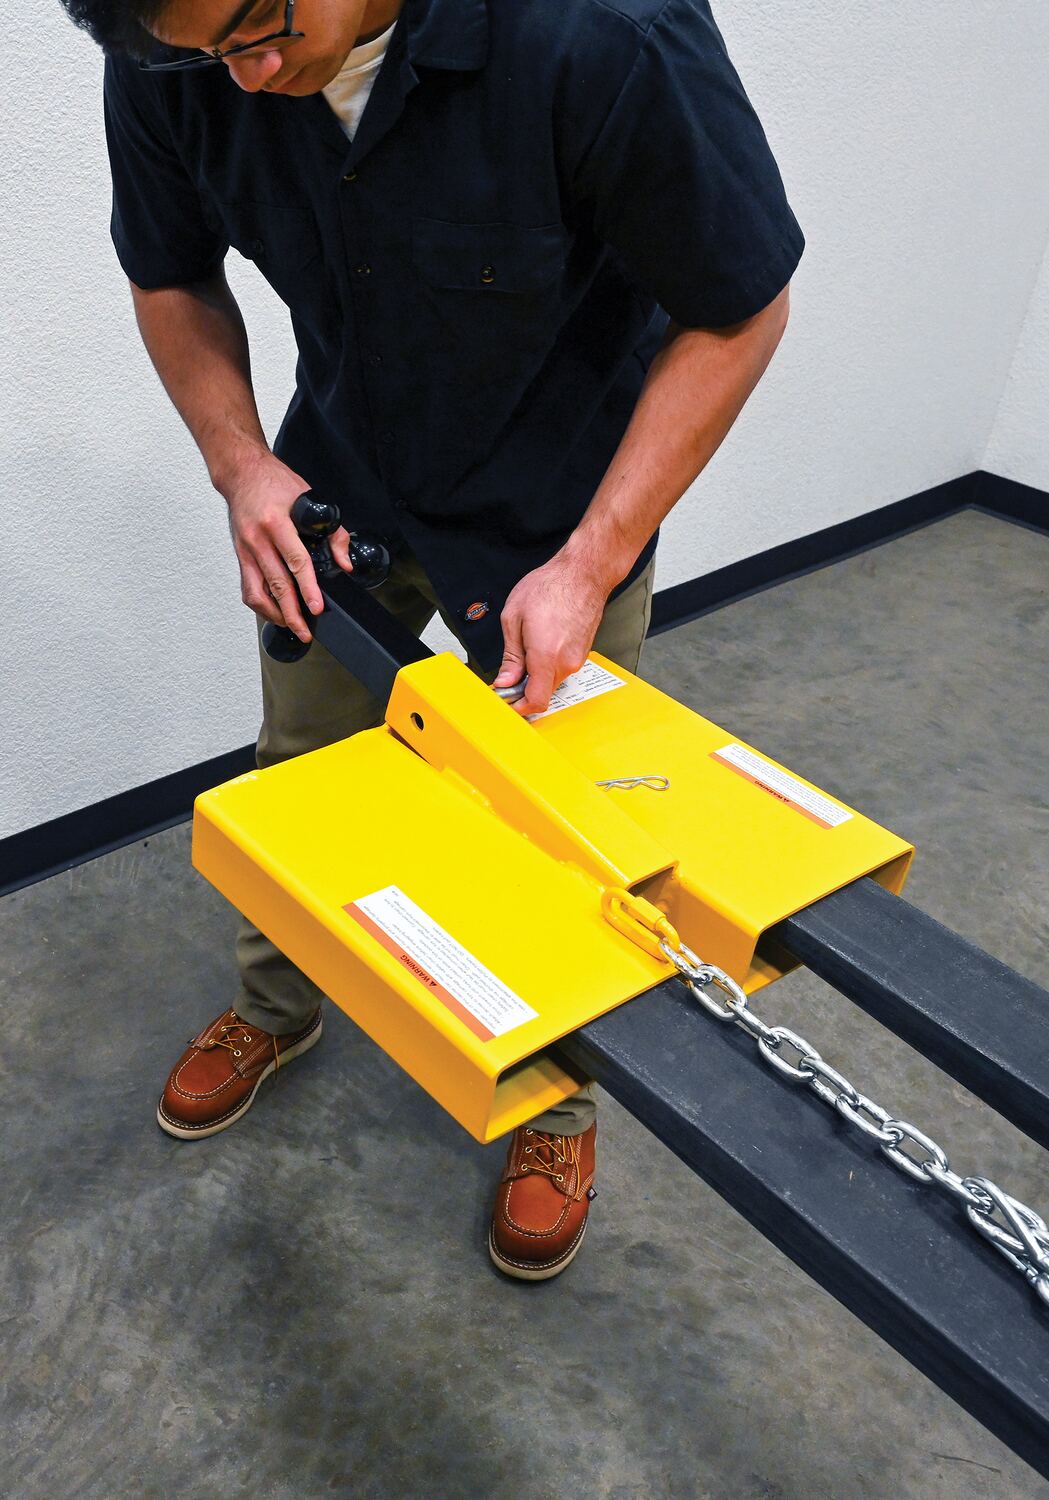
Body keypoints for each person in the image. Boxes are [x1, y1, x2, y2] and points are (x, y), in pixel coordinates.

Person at [62, 0, 803, 1278]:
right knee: (301, 773)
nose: (245, 73)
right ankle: (277, 1005)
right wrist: (243, 468)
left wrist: (592, 561)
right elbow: (169, 273)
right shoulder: (175, 43)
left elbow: (739, 309)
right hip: (344, 479)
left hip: (560, 509)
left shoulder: (601, 34)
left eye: (258, 25)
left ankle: (554, 1111)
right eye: (207, 54)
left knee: (561, 830)